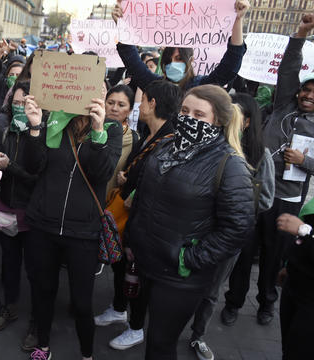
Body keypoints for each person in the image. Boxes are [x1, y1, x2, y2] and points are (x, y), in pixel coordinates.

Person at [125, 84, 254, 360]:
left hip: (180, 276)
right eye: (184, 111)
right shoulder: (168, 146)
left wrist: (189, 258)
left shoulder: (229, 165)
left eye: (199, 114)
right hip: (147, 261)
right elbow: (144, 197)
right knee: (151, 338)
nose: (188, 119)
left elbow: (237, 229)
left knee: (160, 344)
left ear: (217, 120)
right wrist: (133, 237)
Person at [222, 12, 314, 328]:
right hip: (254, 193)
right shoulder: (283, 107)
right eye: (306, 90)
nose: (308, 96)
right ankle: (233, 301)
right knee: (244, 252)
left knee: (274, 256)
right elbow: (289, 69)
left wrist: (306, 163)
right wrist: (301, 33)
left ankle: (266, 303)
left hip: (287, 201)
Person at [23, 90, 123, 359]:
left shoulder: (111, 130)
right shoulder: (54, 121)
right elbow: (33, 166)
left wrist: (98, 131)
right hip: (44, 225)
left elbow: (102, 172)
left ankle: (86, 353)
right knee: (43, 292)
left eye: (97, 88)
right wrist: (34, 127)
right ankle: (43, 345)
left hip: (84, 231)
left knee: (81, 302)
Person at [94, 81, 182, 351]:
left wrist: (135, 190)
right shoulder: (153, 134)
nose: (138, 106)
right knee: (122, 268)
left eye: (141, 101)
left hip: (145, 224)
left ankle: (135, 328)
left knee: (137, 275)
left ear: (152, 104)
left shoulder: (168, 139)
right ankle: (119, 308)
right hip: (130, 221)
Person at [186, 92, 275, 360]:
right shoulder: (205, 145)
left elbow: (267, 199)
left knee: (211, 291)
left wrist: (236, 200)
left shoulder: (260, 157)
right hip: (195, 230)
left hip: (227, 239)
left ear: (246, 122)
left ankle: (197, 336)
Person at [0, 81, 39, 336]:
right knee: (10, 266)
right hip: (7, 210)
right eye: (16, 103)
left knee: (38, 271)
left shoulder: (44, 135)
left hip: (35, 215)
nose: (20, 108)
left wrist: (10, 166)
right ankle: (9, 307)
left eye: (25, 103)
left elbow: (39, 176)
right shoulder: (6, 131)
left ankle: (38, 320)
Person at [112, 0, 249, 92]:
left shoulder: (202, 87)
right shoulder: (154, 85)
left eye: (178, 58)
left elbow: (231, 64)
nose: (172, 64)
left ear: (191, 60)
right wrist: (122, 24)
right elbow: (132, 61)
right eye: (168, 60)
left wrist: (238, 19)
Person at [276, 202, 314, 359]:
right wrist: (289, 265)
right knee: (288, 346)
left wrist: (305, 231)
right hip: (296, 283)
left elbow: (305, 231)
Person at [104, 85, 136, 195]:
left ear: (130, 110)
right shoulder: (88, 131)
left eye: (121, 105)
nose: (114, 108)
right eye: (110, 103)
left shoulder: (134, 139)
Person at [0, 40, 26, 118]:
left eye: (18, 75)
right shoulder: (0, 88)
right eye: (11, 74)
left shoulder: (28, 92)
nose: (14, 77)